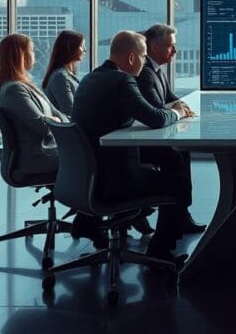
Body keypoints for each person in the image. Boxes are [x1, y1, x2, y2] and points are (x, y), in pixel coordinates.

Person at [70, 30, 194, 262]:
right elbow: (156, 118)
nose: (145, 62)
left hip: (86, 175)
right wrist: (177, 112)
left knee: (171, 159)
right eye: (143, 56)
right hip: (115, 178)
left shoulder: (92, 77)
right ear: (131, 58)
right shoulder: (122, 80)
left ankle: (92, 221)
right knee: (179, 184)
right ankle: (161, 251)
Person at [135, 24, 204, 235]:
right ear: (154, 47)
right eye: (171, 46)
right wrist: (176, 108)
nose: (175, 51)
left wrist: (178, 107)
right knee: (175, 156)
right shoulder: (145, 73)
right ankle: (176, 218)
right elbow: (157, 110)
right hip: (138, 144)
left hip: (149, 133)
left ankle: (181, 214)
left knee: (182, 152)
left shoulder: (157, 70)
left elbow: (171, 100)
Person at [0, 33, 65, 176]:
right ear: (21, 55)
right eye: (32, 50)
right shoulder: (14, 90)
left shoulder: (27, 85)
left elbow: (55, 112)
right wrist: (54, 120)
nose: (35, 54)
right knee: (93, 157)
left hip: (48, 150)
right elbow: (43, 127)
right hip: (37, 157)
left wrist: (56, 120)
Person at [41, 30, 85, 116]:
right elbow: (70, 111)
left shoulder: (66, 75)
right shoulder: (60, 77)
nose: (84, 50)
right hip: (70, 127)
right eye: (82, 46)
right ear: (71, 48)